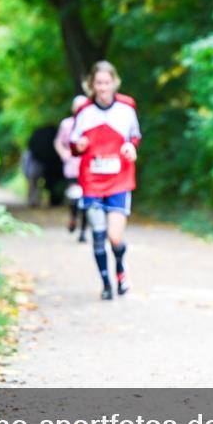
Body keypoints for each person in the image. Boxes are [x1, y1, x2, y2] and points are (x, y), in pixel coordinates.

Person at [69, 61, 141, 301]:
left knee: (115, 236)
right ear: (92, 84)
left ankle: (120, 268)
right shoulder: (84, 111)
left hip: (120, 180)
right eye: (98, 83)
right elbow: (74, 144)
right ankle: (106, 284)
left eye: (106, 83)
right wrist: (79, 146)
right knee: (98, 234)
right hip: (92, 181)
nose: (102, 88)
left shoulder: (126, 107)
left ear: (114, 83)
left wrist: (131, 147)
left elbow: (134, 136)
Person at [54, 98, 88, 241]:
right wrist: (64, 154)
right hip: (72, 167)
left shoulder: (92, 123)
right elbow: (58, 142)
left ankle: (83, 232)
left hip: (89, 168)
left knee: (87, 200)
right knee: (75, 198)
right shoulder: (66, 124)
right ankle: (73, 218)